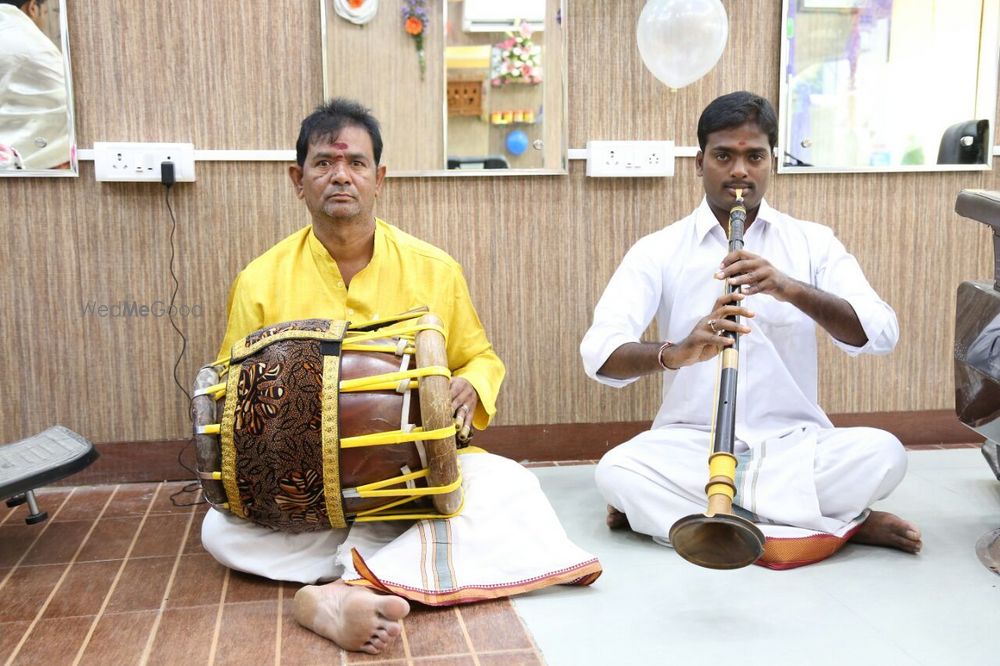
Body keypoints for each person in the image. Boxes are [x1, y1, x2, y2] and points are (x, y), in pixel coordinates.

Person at [205, 98, 601, 654]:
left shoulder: (433, 269)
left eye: (357, 163)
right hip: (311, 492)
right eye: (323, 163)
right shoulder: (259, 281)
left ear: (379, 178)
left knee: (515, 489)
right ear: (298, 180)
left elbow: (481, 358)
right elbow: (233, 398)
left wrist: (471, 386)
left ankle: (334, 591)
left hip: (414, 481)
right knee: (220, 531)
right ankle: (384, 570)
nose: (340, 175)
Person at [580, 91, 922, 569]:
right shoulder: (658, 249)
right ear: (699, 163)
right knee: (617, 470)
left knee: (886, 453)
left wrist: (789, 288)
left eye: (753, 156)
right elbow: (599, 352)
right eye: (724, 155)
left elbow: (881, 332)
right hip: (692, 442)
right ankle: (838, 523)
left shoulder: (812, 242)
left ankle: (699, 517)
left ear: (771, 162)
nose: (739, 170)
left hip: (794, 443)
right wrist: (675, 353)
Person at [0, 0, 71, 170]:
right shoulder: (32, 41)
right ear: (33, 8)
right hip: (36, 166)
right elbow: (67, 106)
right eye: (45, 14)